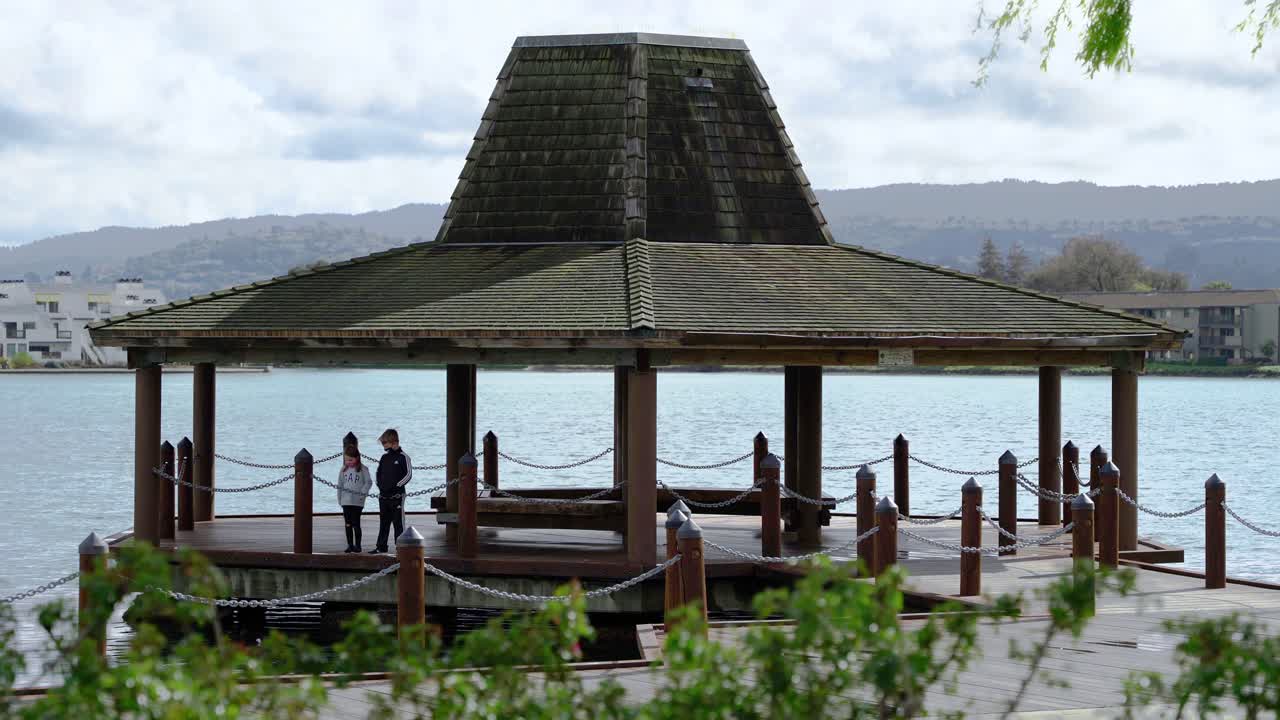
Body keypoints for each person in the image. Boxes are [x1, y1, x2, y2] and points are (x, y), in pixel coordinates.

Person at [370, 428, 412, 553]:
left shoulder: (404, 457)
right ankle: (381, 547)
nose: (383, 445)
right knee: (384, 521)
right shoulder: (384, 458)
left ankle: (400, 548)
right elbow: (378, 473)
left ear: (393, 441)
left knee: (398, 522)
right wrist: (380, 486)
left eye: (384, 443)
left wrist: (397, 486)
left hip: (397, 495)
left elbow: (408, 475)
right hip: (383, 495)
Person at [336, 446, 372, 553]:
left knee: (356, 523)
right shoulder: (343, 469)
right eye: (346, 460)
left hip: (357, 502)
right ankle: (350, 545)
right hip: (346, 501)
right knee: (348, 523)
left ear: (357, 458)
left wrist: (363, 493)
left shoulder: (363, 469)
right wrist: (340, 499)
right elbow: (340, 485)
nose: (348, 462)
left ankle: (358, 545)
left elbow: (368, 482)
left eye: (351, 460)